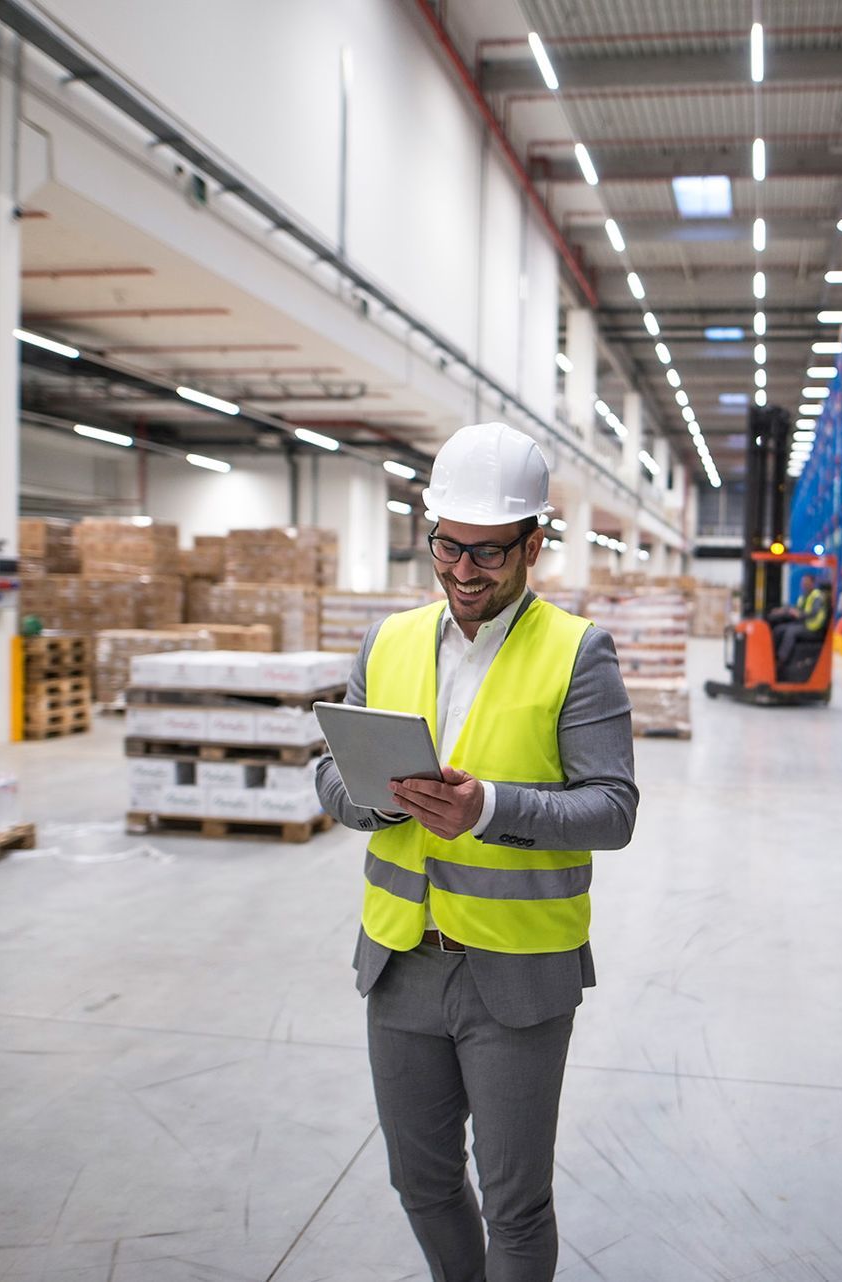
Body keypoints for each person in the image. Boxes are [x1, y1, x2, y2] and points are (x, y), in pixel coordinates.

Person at [314, 421, 638, 1282]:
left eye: (489, 554)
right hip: (400, 962)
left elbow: (613, 811)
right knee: (419, 1180)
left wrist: (487, 807)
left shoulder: (578, 654)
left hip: (517, 977)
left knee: (515, 1204)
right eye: (447, 548)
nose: (464, 573)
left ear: (534, 545)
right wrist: (372, 801)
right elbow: (329, 775)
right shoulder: (386, 643)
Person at [769, 572, 830, 671]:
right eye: (803, 582)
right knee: (779, 629)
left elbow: (813, 613)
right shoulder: (805, 596)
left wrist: (800, 615)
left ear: (812, 583)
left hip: (813, 629)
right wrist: (782, 611)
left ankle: (781, 660)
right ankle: (771, 656)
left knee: (791, 632)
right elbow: (796, 608)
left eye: (806, 582)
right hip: (805, 625)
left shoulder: (817, 597)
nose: (804, 584)